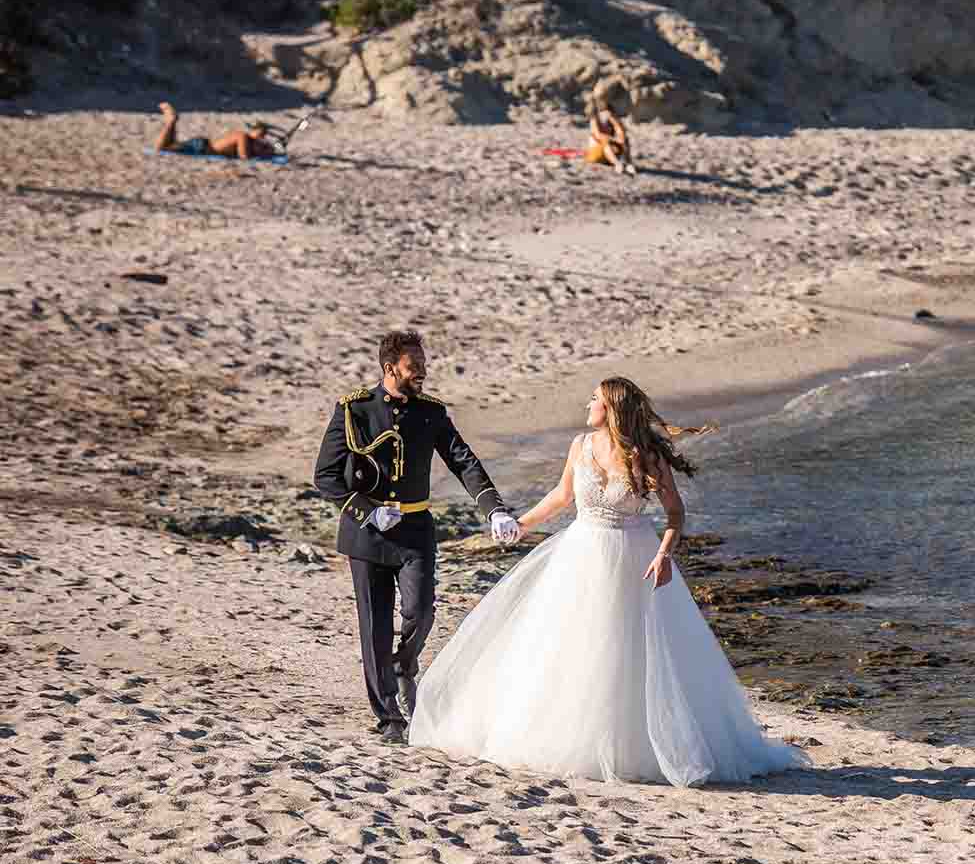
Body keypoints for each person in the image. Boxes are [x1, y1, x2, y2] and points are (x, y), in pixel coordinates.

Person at [407, 377, 807, 786]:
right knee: (567, 645)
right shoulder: (580, 445)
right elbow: (562, 496)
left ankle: (632, 746)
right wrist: (521, 525)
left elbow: (675, 514)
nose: (588, 404)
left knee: (625, 649)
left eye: (595, 399)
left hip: (633, 559)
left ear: (612, 408)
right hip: (580, 555)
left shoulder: (647, 456)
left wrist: (664, 554)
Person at [313, 330, 523, 744]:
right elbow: (325, 476)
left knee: (421, 611)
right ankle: (389, 717)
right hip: (366, 535)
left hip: (415, 531)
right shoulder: (354, 409)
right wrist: (368, 512)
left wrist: (494, 509)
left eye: (423, 365)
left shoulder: (431, 412)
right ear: (390, 368)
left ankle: (403, 666)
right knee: (374, 627)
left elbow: (463, 460)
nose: (422, 372)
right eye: (414, 367)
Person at [153, 102, 281, 160]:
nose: (263, 138)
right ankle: (171, 121)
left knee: (171, 144)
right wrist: (265, 153)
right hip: (202, 148)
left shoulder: (246, 138)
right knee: (162, 148)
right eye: (262, 134)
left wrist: (265, 150)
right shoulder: (242, 136)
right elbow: (244, 156)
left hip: (203, 145)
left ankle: (172, 122)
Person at [585, 101, 638, 175]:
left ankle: (628, 163)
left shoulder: (611, 121)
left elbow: (621, 133)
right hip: (596, 154)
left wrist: (615, 122)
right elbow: (598, 135)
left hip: (608, 155)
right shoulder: (594, 120)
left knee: (625, 140)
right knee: (605, 141)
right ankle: (617, 164)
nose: (608, 115)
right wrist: (615, 139)